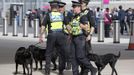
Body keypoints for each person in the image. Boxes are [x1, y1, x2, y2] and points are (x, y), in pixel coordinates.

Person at [39, 1, 69, 75]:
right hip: (61, 35)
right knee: (61, 54)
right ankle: (61, 71)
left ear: (51, 7)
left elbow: (43, 27)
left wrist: (41, 36)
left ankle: (47, 72)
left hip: (51, 35)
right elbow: (68, 26)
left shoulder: (48, 15)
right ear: (57, 7)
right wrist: (70, 34)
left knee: (48, 53)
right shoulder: (61, 15)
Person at [70, 1, 97, 75]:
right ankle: (76, 73)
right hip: (74, 38)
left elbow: (89, 26)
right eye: (73, 7)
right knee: (73, 57)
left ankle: (91, 69)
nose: (73, 8)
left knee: (81, 56)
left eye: (74, 7)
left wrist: (89, 34)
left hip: (81, 38)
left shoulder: (85, 15)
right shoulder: (74, 16)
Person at [58, 1, 72, 70]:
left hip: (66, 35)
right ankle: (61, 65)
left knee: (67, 51)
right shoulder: (56, 14)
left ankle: (69, 63)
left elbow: (72, 23)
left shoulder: (68, 14)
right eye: (59, 7)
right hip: (59, 35)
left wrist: (70, 34)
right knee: (60, 51)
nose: (60, 9)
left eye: (61, 7)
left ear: (64, 7)